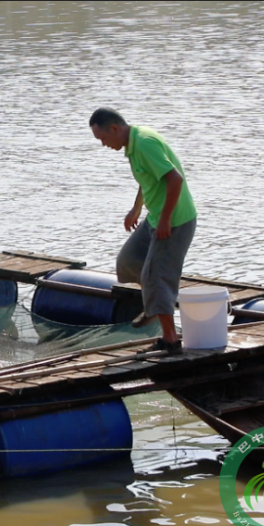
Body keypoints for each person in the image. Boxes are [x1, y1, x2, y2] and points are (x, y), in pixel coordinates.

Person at [89, 108, 197, 354]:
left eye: (103, 139)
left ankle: (170, 340)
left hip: (175, 221)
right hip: (156, 216)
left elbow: (174, 179)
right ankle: (155, 304)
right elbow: (148, 178)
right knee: (128, 261)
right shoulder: (133, 144)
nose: (104, 145)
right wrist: (136, 209)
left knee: (155, 276)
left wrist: (166, 221)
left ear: (114, 128)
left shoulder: (145, 143)